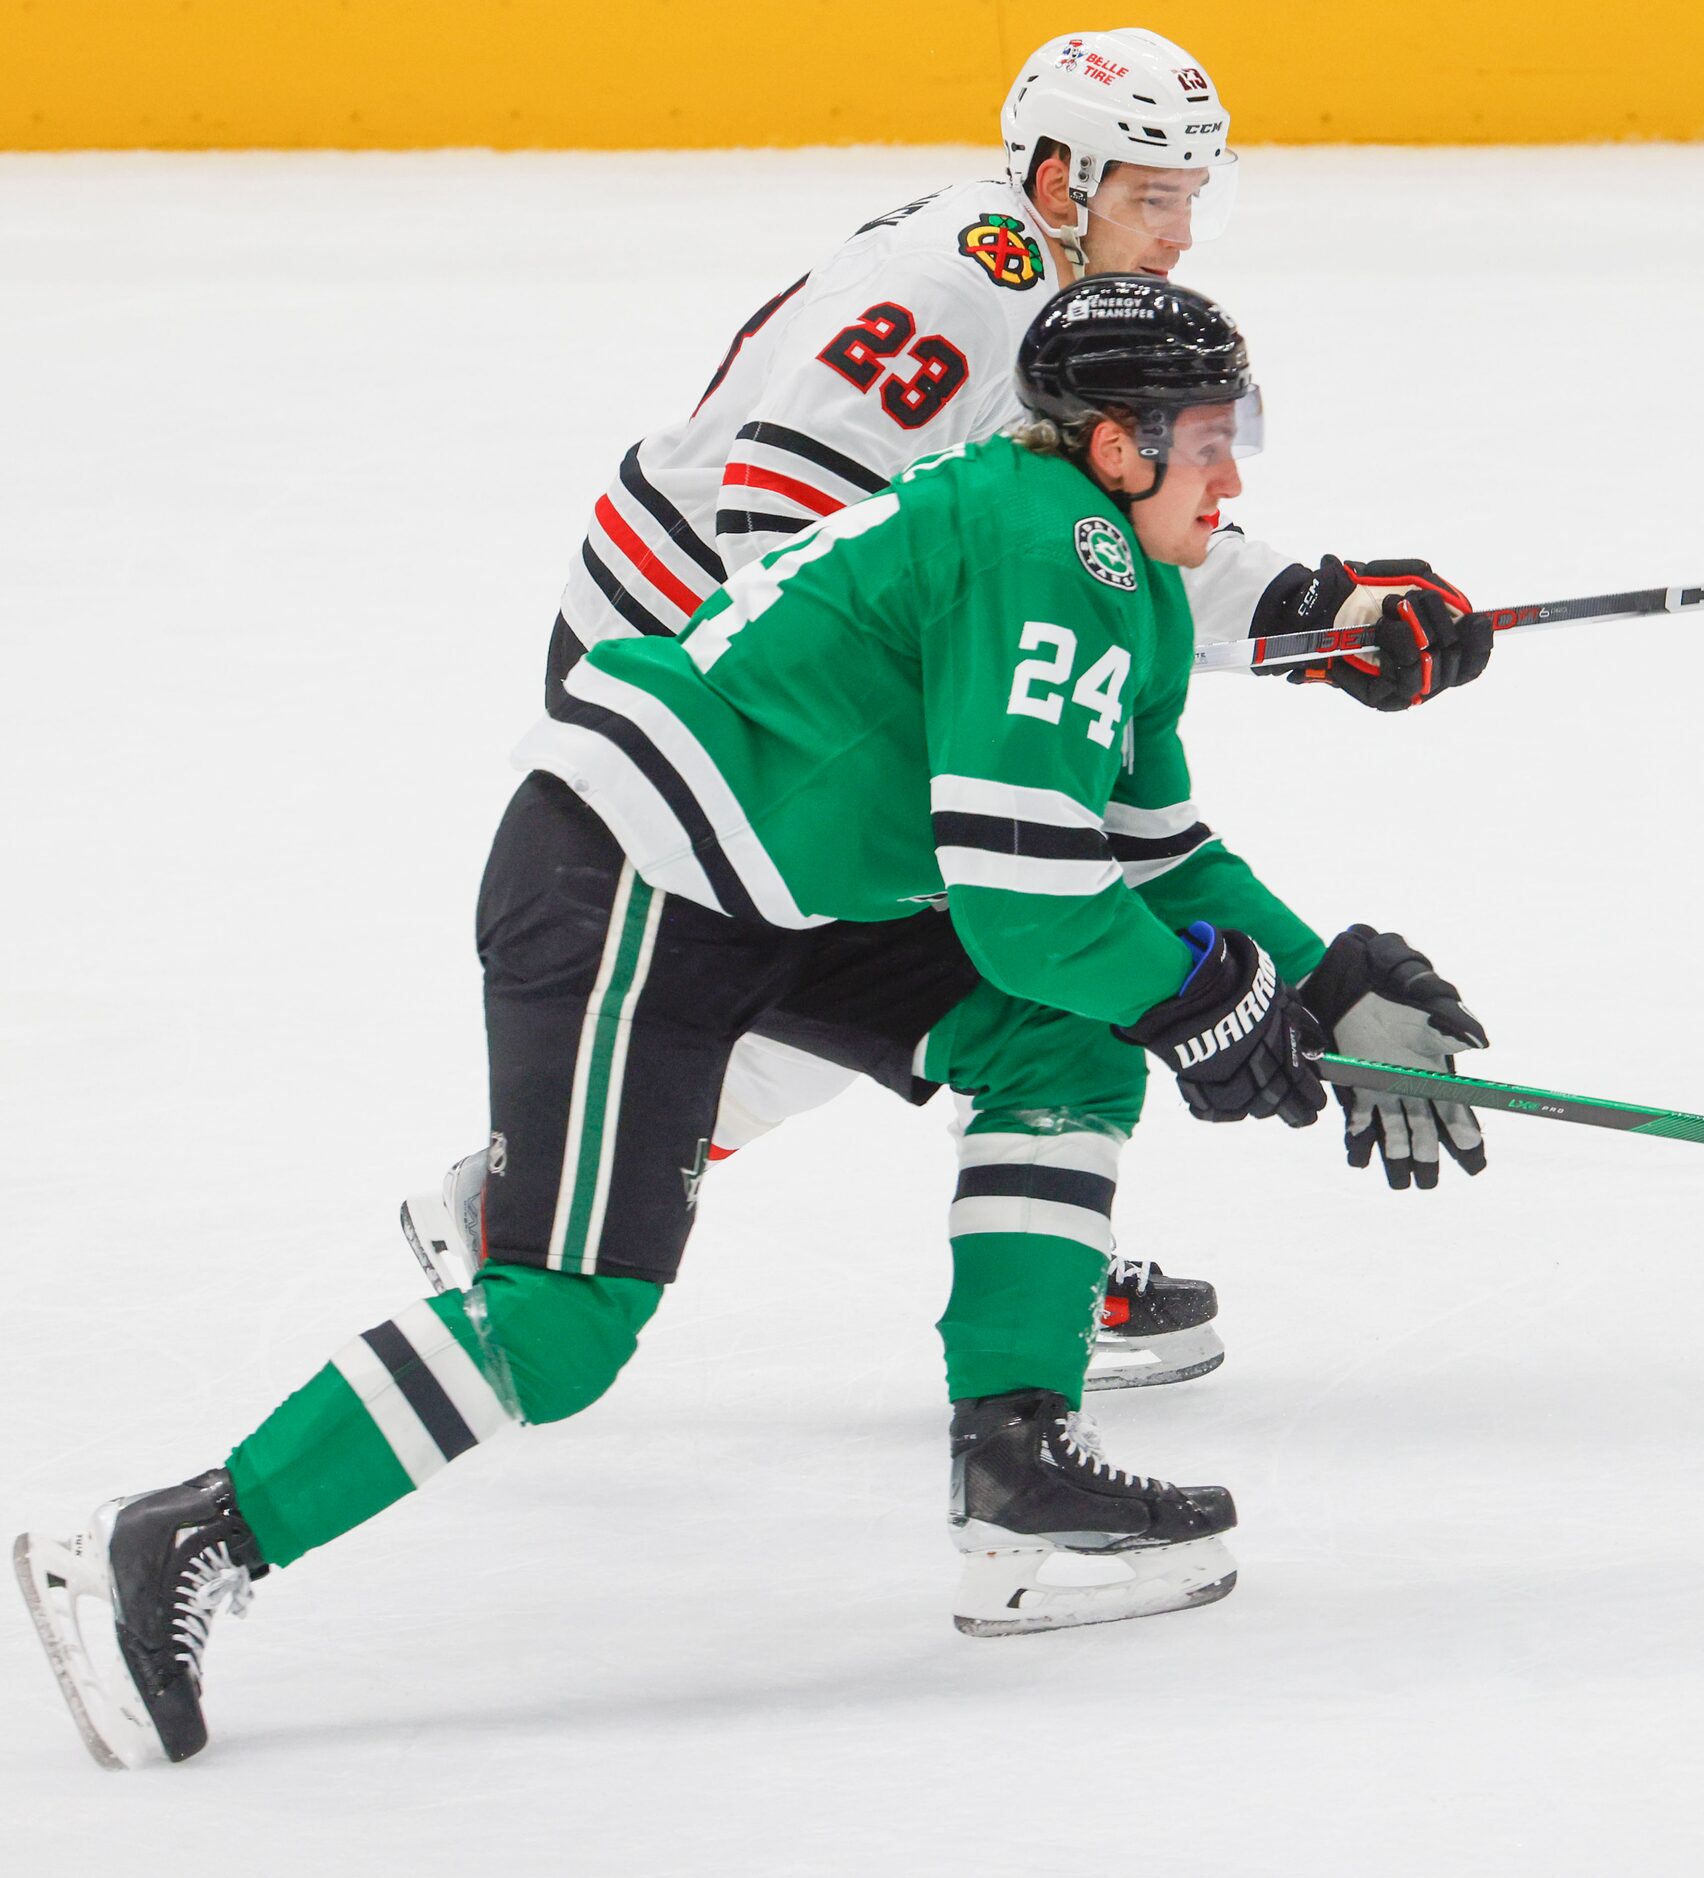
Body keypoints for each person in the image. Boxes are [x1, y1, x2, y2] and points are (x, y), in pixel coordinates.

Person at [14, 277, 1490, 1771]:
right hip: (636, 877)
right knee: (566, 1321)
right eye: (1208, 437)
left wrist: (1318, 980)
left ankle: (1017, 1471)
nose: (1235, 475)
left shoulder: (1115, 568)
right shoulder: (1054, 550)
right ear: (1115, 445)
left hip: (784, 889)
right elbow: (1028, 906)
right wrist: (1198, 998)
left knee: (1061, 1040)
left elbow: (1151, 850)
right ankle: (172, 1540)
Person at [396, 27, 1493, 1393]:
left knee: (915, 980)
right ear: (1053, 176)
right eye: (1154, 196)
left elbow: (1077, 546)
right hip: (688, 668)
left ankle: (539, 1190)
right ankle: (545, 1201)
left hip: (746, 662)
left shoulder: (1060, 298)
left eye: (1193, 197)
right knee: (965, 945)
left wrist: (1322, 614)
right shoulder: (964, 285)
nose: (1181, 234)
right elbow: (781, 524)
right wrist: (946, 734)